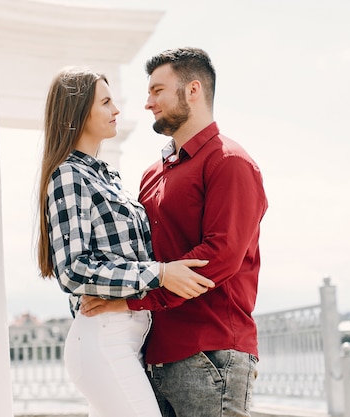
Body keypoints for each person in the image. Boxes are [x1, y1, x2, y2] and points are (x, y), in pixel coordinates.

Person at [80, 47, 269, 417]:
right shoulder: (152, 174)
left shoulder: (230, 163)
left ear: (193, 90)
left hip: (211, 356)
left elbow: (218, 258)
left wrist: (131, 301)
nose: (148, 103)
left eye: (157, 90)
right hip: (154, 357)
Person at [36, 67, 215, 417]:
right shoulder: (67, 174)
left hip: (128, 339)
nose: (116, 110)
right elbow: (72, 270)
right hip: (103, 339)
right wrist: (160, 275)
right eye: (105, 102)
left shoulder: (107, 177)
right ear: (77, 111)